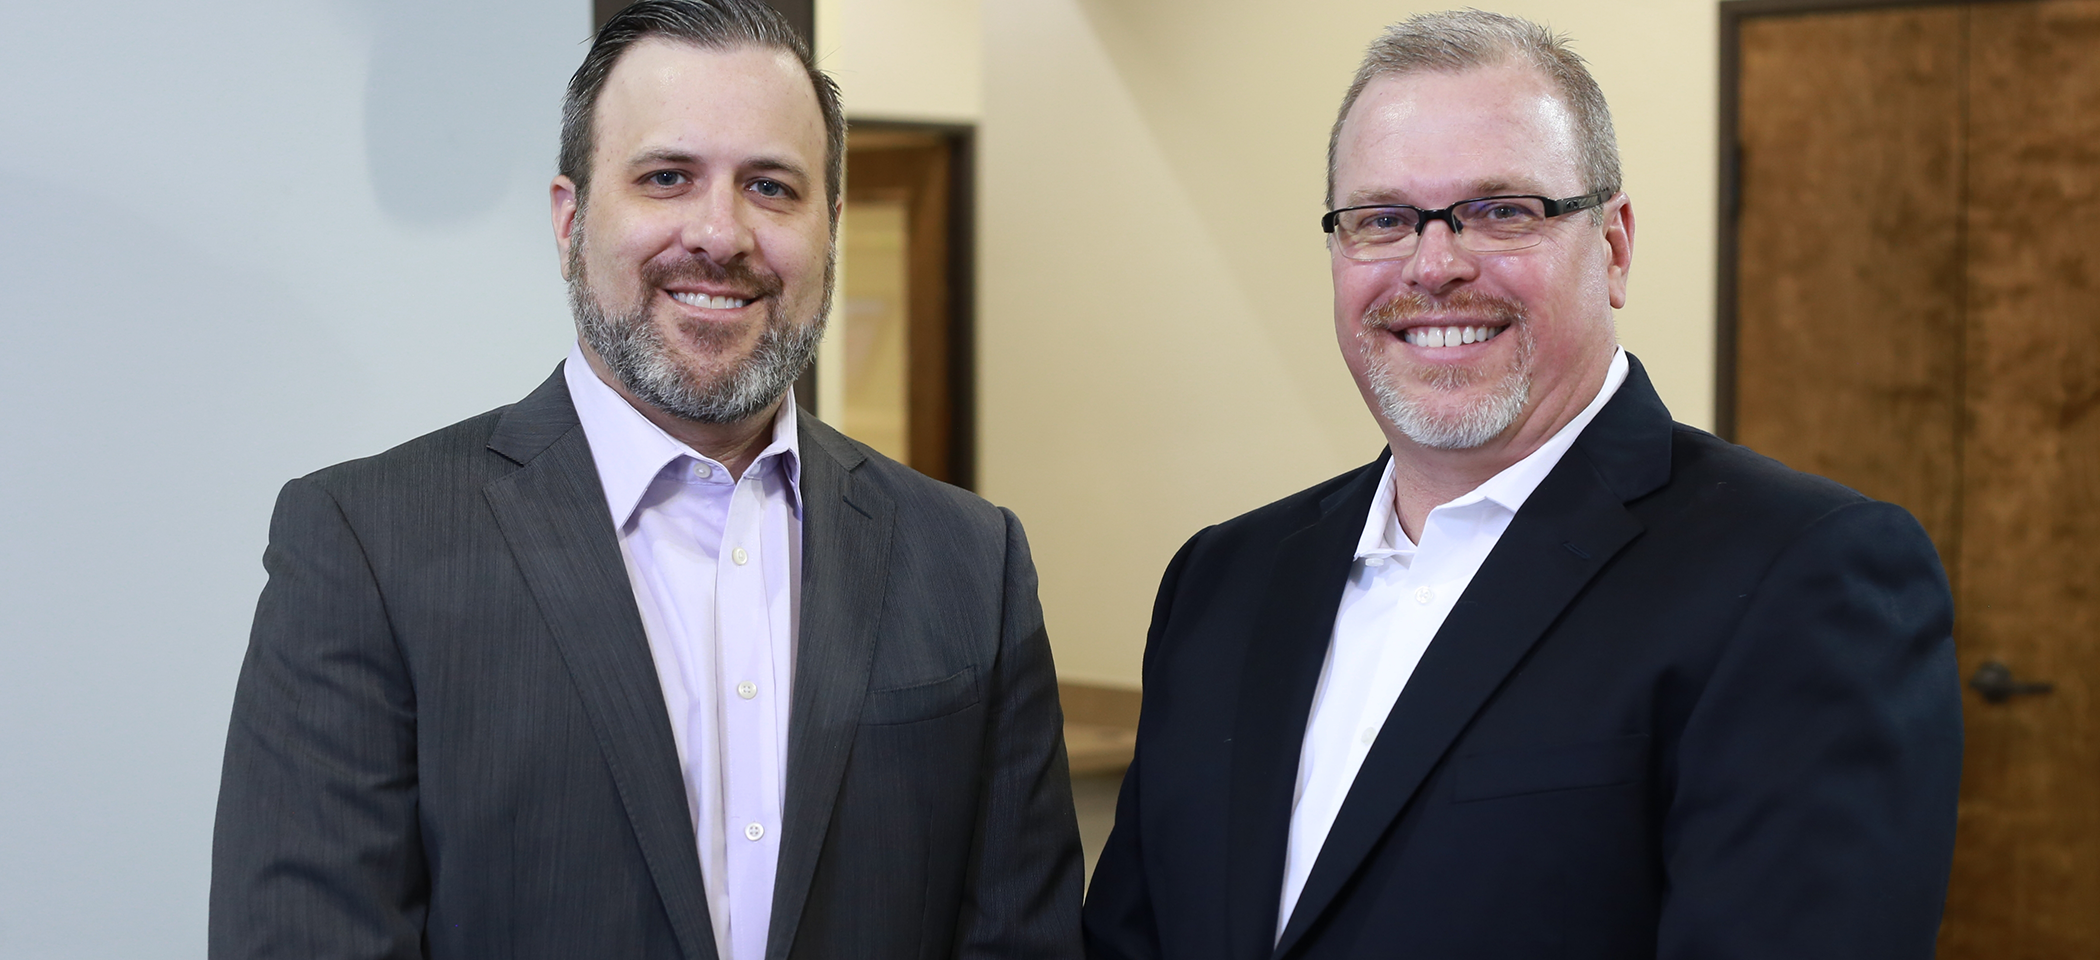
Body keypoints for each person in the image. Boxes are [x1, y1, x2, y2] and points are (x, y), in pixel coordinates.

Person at [1081, 10, 1961, 959]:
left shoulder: (1802, 576)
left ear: (1615, 247)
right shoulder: (1225, 578)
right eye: (1381, 220)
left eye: (1501, 211)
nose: (1435, 265)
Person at [209, 2, 1082, 958]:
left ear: (829, 227)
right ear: (572, 217)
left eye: (771, 187)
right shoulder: (368, 545)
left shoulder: (969, 560)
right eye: (667, 177)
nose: (721, 233)